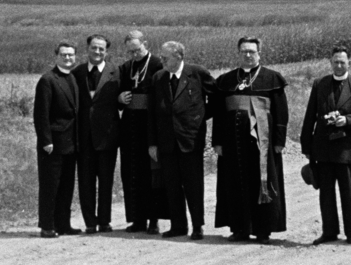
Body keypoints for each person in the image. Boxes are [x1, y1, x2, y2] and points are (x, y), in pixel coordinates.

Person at [210, 36, 289, 242]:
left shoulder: (272, 78)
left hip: (263, 143)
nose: (247, 55)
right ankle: (239, 229)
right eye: (244, 51)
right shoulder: (226, 80)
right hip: (232, 142)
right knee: (235, 182)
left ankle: (263, 230)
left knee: (262, 181)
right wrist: (217, 141)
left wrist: (279, 141)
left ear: (259, 54)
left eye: (252, 52)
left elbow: (281, 112)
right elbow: (218, 114)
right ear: (238, 53)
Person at [300, 44, 351, 244]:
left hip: (347, 148)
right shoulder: (320, 84)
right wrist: (306, 147)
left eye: (342, 62)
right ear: (330, 62)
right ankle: (329, 232)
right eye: (335, 62)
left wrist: (348, 121)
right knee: (326, 192)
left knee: (349, 191)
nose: (339, 66)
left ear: (349, 63)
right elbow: (310, 117)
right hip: (323, 149)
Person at [147, 40, 213, 240]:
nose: (162, 60)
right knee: (172, 185)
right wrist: (152, 143)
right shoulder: (158, 78)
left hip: (190, 140)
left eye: (166, 57)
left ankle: (197, 226)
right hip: (166, 142)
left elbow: (217, 98)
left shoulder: (197, 74)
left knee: (193, 185)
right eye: (161, 57)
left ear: (179, 57)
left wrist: (199, 117)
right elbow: (152, 112)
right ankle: (178, 225)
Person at [115, 29, 164, 233]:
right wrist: (119, 98)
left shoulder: (157, 65)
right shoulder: (126, 67)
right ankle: (137, 219)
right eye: (130, 52)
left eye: (137, 50)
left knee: (151, 173)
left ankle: (153, 220)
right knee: (132, 173)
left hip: (150, 124)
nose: (134, 55)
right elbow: (117, 92)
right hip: (130, 126)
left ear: (146, 44)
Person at [73, 33, 120, 233]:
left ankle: (105, 221)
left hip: (107, 136)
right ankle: (90, 223)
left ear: (106, 51)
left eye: (101, 49)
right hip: (83, 137)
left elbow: (120, 98)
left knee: (106, 180)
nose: (97, 52)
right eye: (94, 47)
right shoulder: (77, 72)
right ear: (88, 49)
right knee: (85, 181)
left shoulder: (115, 72)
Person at [33, 41, 81, 238]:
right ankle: (47, 225)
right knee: (50, 185)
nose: (68, 58)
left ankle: (64, 224)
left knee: (66, 186)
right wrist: (46, 141)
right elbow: (41, 114)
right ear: (56, 56)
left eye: (71, 55)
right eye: (64, 55)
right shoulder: (48, 80)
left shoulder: (73, 78)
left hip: (71, 143)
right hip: (53, 144)